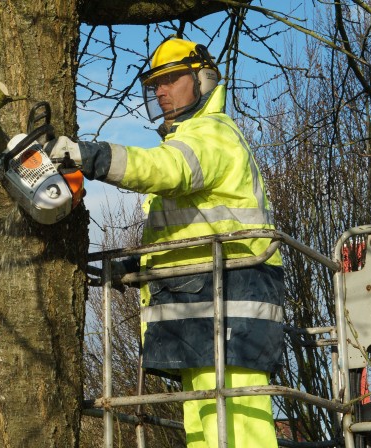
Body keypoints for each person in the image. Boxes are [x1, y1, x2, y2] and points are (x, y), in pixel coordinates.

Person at [45, 37, 285, 447]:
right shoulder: (189, 140)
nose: (161, 90)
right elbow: (188, 233)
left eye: (172, 79)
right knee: (204, 422)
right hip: (200, 304)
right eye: (156, 83)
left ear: (204, 80)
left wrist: (94, 156)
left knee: (240, 426)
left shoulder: (212, 135)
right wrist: (137, 270)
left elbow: (166, 169)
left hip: (231, 305)